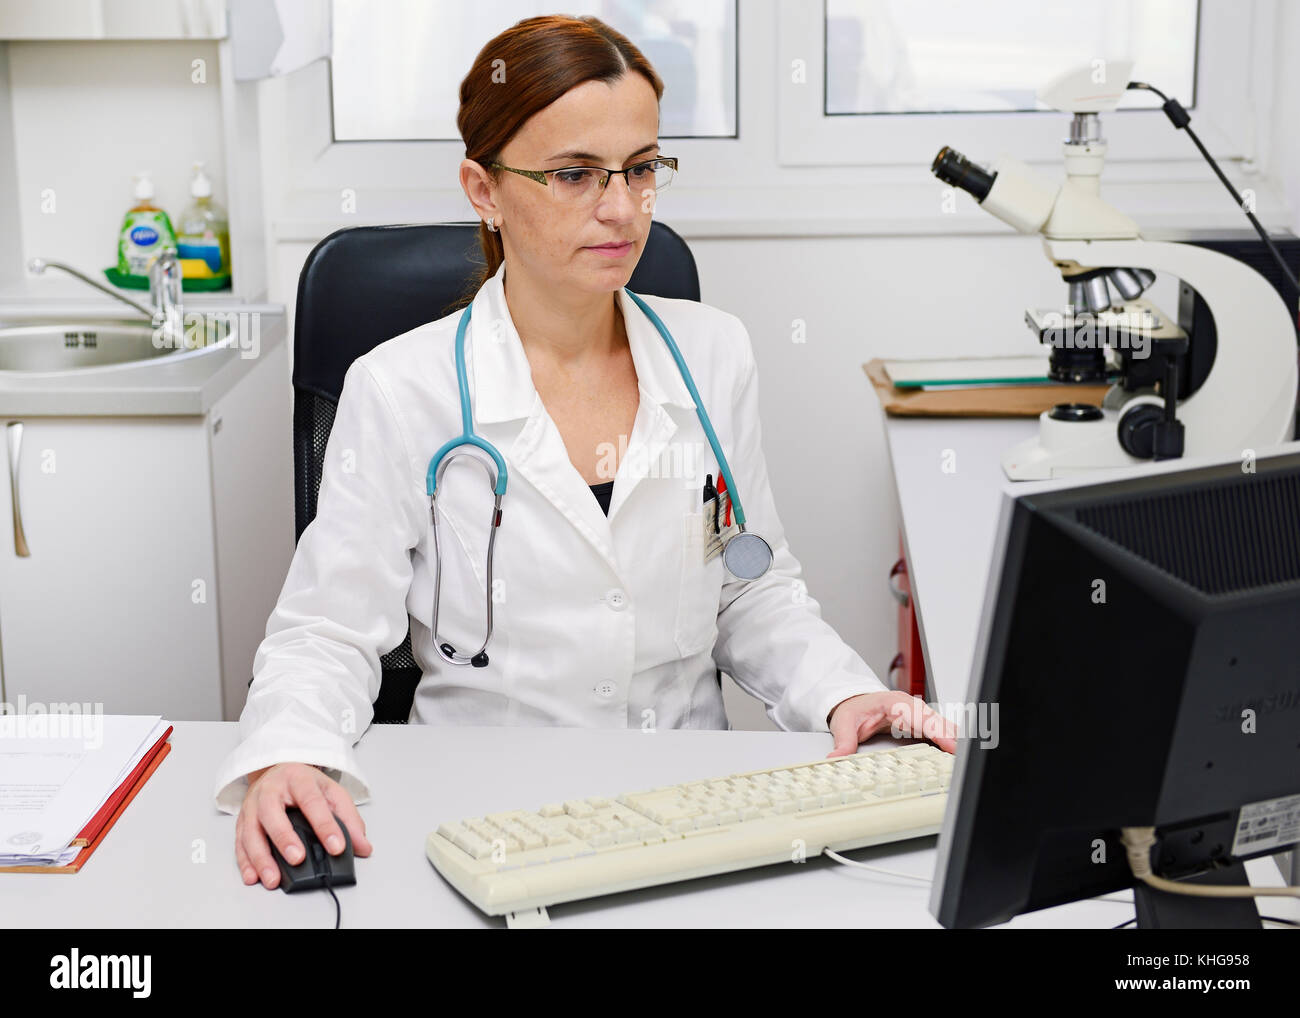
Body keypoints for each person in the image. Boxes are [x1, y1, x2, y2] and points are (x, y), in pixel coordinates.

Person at [216, 14, 958, 890]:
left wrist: (846, 694)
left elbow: (752, 588)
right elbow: (328, 629)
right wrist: (290, 756)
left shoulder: (712, 355)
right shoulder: (401, 388)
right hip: (478, 814)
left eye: (641, 169)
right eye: (574, 175)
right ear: (483, 189)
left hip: (689, 811)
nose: (621, 208)